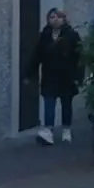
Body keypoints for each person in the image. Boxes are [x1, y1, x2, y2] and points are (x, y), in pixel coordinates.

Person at [30, 8, 85, 145]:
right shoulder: (45, 35)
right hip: (50, 75)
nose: (55, 20)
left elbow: (79, 57)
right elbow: (36, 56)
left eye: (58, 17)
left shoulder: (71, 35)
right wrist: (29, 73)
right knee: (49, 103)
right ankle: (48, 130)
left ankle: (66, 129)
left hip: (67, 76)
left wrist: (79, 77)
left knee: (66, 104)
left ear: (64, 19)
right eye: (52, 17)